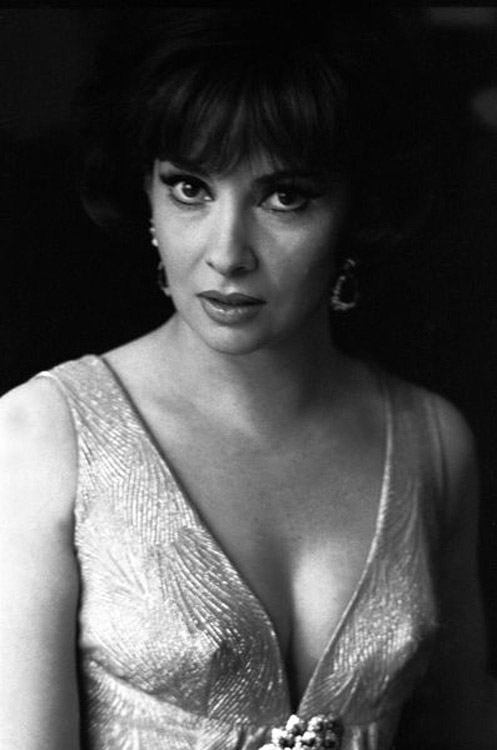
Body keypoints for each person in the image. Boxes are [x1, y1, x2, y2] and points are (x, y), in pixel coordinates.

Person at [0, 8, 495, 749]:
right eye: (190, 188)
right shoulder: (43, 435)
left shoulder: (432, 442)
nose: (228, 253)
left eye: (284, 197)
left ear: (356, 209)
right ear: (147, 196)